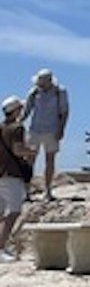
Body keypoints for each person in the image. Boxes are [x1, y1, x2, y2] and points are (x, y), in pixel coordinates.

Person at [23, 69, 69, 201]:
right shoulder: (34, 92)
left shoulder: (60, 92)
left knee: (50, 160)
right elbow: (27, 111)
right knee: (29, 161)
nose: (40, 86)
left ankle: (48, 190)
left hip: (52, 130)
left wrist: (61, 129)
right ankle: (26, 191)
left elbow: (64, 112)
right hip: (35, 130)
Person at [0, 96, 33, 262]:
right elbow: (18, 150)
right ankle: (1, 248)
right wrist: (31, 152)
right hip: (11, 173)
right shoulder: (17, 128)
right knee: (13, 212)